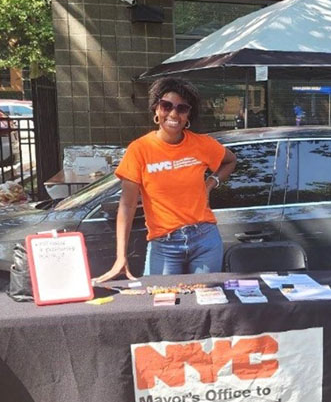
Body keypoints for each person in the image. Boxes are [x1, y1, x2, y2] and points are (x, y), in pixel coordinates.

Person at [96, 77, 237, 280]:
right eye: (166, 105)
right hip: (164, 244)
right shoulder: (139, 149)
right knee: (161, 303)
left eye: (182, 108)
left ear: (189, 115)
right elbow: (126, 206)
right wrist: (120, 256)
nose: (173, 114)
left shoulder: (203, 145)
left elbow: (230, 160)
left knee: (204, 304)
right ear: (156, 109)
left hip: (204, 239)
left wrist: (210, 183)